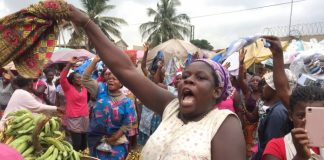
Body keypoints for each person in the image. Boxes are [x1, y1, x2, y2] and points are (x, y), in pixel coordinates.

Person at [67, 6, 246, 159]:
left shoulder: (224, 124)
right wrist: (86, 23)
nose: (189, 80)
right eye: (185, 76)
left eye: (200, 77)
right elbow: (126, 69)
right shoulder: (171, 106)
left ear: (216, 91)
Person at [82, 56, 137, 159]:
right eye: (109, 78)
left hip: (116, 141)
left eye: (115, 79)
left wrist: (114, 138)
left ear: (121, 83)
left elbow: (127, 124)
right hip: (96, 139)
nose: (111, 80)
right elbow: (85, 79)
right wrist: (94, 61)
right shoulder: (100, 89)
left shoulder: (127, 102)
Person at [252, 36, 297, 160]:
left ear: (274, 87)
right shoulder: (278, 107)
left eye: (266, 84)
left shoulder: (278, 112)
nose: (262, 87)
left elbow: (270, 148)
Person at [262, 86, 324, 160]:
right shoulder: (276, 147)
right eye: (301, 116)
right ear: (291, 115)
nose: (307, 122)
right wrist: (300, 157)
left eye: (316, 116)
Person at [60, 57, 89, 151]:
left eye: (80, 77)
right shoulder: (68, 88)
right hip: (74, 118)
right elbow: (62, 78)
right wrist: (69, 64)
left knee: (84, 143)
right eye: (78, 77)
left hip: (85, 117)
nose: (80, 79)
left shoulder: (84, 88)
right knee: (77, 143)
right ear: (72, 80)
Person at [238, 49, 262, 158]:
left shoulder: (265, 95)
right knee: (245, 150)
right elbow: (240, 80)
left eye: (258, 81)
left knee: (256, 150)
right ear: (250, 82)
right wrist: (241, 63)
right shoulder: (248, 93)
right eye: (253, 80)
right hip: (247, 125)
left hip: (258, 127)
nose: (256, 82)